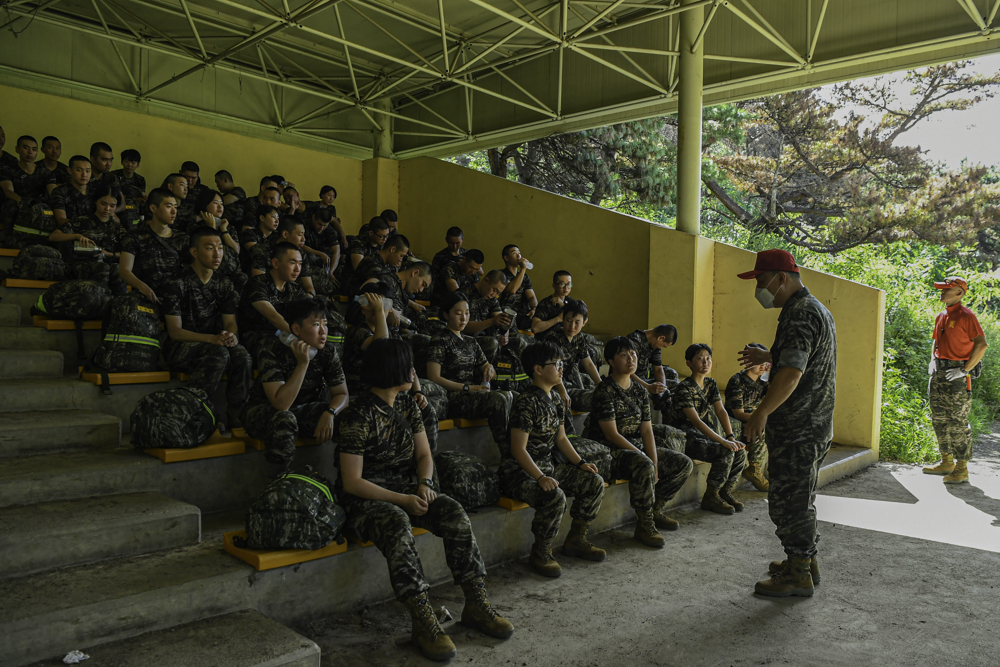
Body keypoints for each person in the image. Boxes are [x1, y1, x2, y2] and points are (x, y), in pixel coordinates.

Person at [338, 337, 513, 662]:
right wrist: (403, 500)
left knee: (453, 512)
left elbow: (424, 454)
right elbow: (352, 481)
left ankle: (476, 604)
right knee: (396, 521)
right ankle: (423, 621)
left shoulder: (407, 405)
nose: (413, 371)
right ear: (391, 369)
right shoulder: (357, 415)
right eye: (407, 365)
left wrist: (424, 484)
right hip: (366, 500)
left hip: (408, 490)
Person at [737, 248, 837, 597]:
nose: (759, 290)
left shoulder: (798, 315)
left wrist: (761, 412)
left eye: (762, 282)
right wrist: (770, 355)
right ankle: (805, 562)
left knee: (788, 503)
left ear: (782, 278)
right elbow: (801, 357)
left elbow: (793, 374)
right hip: (814, 425)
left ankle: (797, 574)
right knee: (801, 498)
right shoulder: (814, 309)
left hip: (799, 428)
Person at [499, 341, 607, 577]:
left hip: (548, 468)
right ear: (538, 369)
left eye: (562, 363)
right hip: (521, 474)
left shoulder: (556, 399)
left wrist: (580, 463)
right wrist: (540, 477)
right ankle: (541, 551)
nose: (561, 368)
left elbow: (561, 439)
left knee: (593, 481)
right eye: (556, 364)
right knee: (554, 496)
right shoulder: (526, 402)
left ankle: (576, 539)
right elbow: (519, 450)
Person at [587, 336, 693, 543]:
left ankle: (655, 509)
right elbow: (611, 435)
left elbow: (646, 431)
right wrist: (645, 457)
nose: (631, 359)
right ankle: (645, 526)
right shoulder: (605, 391)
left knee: (683, 463)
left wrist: (653, 459)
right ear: (610, 361)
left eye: (633, 354)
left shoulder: (640, 391)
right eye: (623, 355)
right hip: (609, 451)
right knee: (644, 464)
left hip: (634, 446)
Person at [162, 226, 252, 432]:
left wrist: (231, 335)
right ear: (194, 252)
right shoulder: (176, 283)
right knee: (219, 354)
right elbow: (175, 332)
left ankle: (236, 414)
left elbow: (230, 321)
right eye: (210, 248)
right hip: (180, 347)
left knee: (241, 355)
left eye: (220, 248)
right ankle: (197, 411)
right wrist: (212, 339)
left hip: (215, 343)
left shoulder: (224, 284)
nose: (217, 253)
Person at [243, 298, 349, 468]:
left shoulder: (327, 352)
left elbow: (342, 394)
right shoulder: (270, 351)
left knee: (353, 414)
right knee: (285, 418)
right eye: (316, 325)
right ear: (296, 329)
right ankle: (279, 482)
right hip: (266, 413)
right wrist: (303, 363)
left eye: (325, 324)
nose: (324, 331)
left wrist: (330, 412)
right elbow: (281, 404)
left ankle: (345, 479)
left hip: (303, 409)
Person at [343, 285, 445, 453]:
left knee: (427, 408)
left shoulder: (392, 335)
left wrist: (418, 392)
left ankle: (427, 460)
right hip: (367, 394)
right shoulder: (358, 331)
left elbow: (409, 367)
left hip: (393, 393)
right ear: (364, 309)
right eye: (375, 306)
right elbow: (380, 349)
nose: (380, 310)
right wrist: (381, 313)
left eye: (383, 306)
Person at [667, 344, 748, 515]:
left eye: (708, 358)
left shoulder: (710, 384)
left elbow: (720, 411)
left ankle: (724, 491)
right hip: (685, 436)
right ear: (689, 363)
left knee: (740, 452)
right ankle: (711, 496)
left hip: (703, 435)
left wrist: (731, 436)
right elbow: (695, 420)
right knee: (725, 452)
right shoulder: (684, 388)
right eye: (700, 358)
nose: (706, 362)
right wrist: (722, 441)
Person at [922, 276, 988, 485]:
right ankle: (946, 461)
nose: (942, 292)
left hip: (956, 373)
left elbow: (982, 345)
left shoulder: (966, 316)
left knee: (957, 421)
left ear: (959, 293)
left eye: (947, 289)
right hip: (939, 371)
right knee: (939, 418)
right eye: (942, 289)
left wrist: (965, 370)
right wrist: (933, 359)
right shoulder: (942, 315)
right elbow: (936, 340)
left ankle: (961, 468)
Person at [426, 291, 512, 446]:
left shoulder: (471, 341)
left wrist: (489, 369)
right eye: (458, 313)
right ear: (446, 315)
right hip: (454, 396)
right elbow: (434, 377)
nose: (464, 318)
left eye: (467, 313)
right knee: (498, 400)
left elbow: (490, 372)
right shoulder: (440, 340)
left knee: (514, 396)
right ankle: (508, 453)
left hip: (473, 392)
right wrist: (468, 388)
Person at [49, 181, 127, 294]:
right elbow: (53, 236)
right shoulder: (81, 221)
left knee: (117, 268)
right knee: (103, 268)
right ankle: (101, 300)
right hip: (81, 266)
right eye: (103, 203)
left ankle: (121, 303)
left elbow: (130, 252)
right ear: (96, 201)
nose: (107, 209)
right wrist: (76, 236)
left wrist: (111, 254)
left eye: (112, 206)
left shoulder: (117, 228)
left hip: (108, 266)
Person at [237, 242, 308, 362]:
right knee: (292, 350)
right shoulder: (257, 283)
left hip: (286, 335)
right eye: (292, 263)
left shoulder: (295, 288)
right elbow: (273, 317)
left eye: (300, 264)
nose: (298, 269)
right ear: (275, 263)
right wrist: (301, 337)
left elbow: (307, 315)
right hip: (256, 337)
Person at [119, 187, 188, 304]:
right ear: (153, 208)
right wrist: (142, 287)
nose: (174, 211)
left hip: (176, 299)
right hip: (145, 297)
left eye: (175, 207)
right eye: (169, 206)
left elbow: (189, 271)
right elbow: (124, 271)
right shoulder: (134, 237)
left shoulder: (182, 238)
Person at [541, 300, 602, 423]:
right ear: (563, 318)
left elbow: (588, 363)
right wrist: (562, 391)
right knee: (599, 400)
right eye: (568, 321)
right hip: (555, 385)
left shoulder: (579, 338)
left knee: (605, 395)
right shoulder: (553, 337)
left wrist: (602, 385)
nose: (572, 326)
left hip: (570, 382)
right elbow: (553, 368)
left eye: (577, 322)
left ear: (584, 322)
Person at [725, 343, 771, 491]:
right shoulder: (737, 381)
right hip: (737, 424)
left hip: (754, 421)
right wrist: (761, 420)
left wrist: (769, 375)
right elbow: (738, 413)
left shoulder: (763, 383)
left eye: (765, 363)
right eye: (759, 362)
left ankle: (773, 471)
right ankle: (754, 469)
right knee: (762, 428)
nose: (763, 366)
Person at [194, 188, 245, 293]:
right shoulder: (196, 227)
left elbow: (236, 250)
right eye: (215, 203)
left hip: (234, 274)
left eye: (221, 204)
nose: (220, 207)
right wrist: (212, 228)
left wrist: (223, 229)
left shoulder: (228, 226)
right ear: (205, 204)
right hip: (211, 274)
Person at [249, 216, 316, 295]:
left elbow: (309, 286)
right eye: (299, 235)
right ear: (285, 234)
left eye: (303, 235)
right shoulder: (261, 251)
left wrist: (309, 297)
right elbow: (259, 284)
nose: (303, 239)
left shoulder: (300, 254)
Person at [625, 325, 681, 409]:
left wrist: (662, 390)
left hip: (642, 379)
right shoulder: (634, 341)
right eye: (663, 345)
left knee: (674, 379)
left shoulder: (654, 345)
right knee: (672, 388)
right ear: (661, 338)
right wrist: (648, 386)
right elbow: (626, 371)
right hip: (628, 380)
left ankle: (666, 414)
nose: (661, 347)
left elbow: (658, 369)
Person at [302, 207, 340, 295]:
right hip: (309, 258)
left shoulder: (331, 231)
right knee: (310, 256)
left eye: (325, 225)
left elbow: (336, 252)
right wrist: (319, 253)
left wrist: (331, 271)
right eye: (319, 224)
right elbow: (299, 244)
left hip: (326, 262)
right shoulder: (304, 225)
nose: (321, 228)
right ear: (313, 217)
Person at [344, 216, 390, 289]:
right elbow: (359, 269)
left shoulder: (383, 245)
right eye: (381, 236)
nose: (384, 239)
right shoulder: (358, 243)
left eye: (386, 236)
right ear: (371, 233)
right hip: (355, 282)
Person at [500, 244, 537, 331]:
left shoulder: (525, 277)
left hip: (523, 314)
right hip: (507, 315)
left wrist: (534, 309)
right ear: (506, 258)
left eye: (519, 253)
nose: (519, 255)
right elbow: (512, 290)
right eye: (514, 253)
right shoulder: (501, 275)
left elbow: (531, 297)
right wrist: (523, 269)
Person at [50, 155, 92, 228]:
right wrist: (85, 224)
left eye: (87, 171)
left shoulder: (95, 191)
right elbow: (61, 220)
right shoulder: (60, 192)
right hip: (70, 233)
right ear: (70, 171)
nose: (84, 175)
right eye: (79, 170)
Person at [530, 270, 573, 335]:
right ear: (554, 286)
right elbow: (535, 328)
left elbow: (579, 315)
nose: (566, 288)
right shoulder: (545, 303)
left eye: (569, 284)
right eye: (562, 284)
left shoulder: (570, 301)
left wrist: (563, 305)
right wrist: (557, 319)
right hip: (548, 340)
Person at [305, 185, 346, 249]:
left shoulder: (332, 208)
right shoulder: (314, 206)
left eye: (333, 197)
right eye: (329, 195)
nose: (331, 199)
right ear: (322, 195)